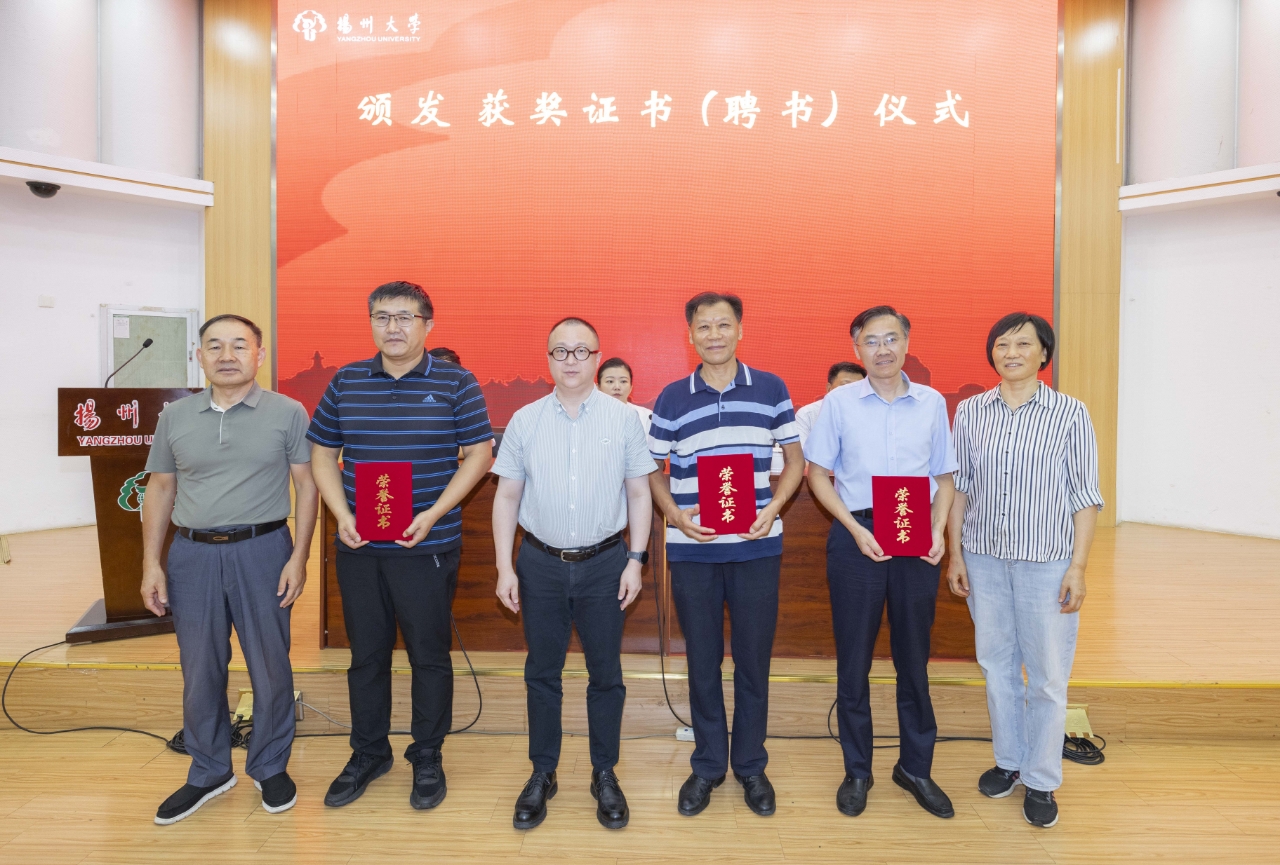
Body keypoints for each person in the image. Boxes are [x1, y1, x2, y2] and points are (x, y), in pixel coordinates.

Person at [308, 281, 494, 811]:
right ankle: (369, 752)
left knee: (428, 656)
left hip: (426, 544)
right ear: (371, 322)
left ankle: (427, 754)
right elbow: (322, 453)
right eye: (382, 317)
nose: (393, 327)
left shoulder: (456, 382)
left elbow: (479, 454)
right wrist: (342, 515)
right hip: (360, 544)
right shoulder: (346, 380)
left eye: (405, 317)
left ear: (427, 325)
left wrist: (434, 513)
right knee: (365, 656)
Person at [140, 313, 318, 825]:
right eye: (215, 345)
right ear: (199, 356)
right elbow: (160, 487)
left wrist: (299, 557)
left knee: (269, 664)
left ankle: (270, 766)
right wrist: (151, 563)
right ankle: (209, 771)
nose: (227, 355)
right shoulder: (176, 416)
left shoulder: (288, 412)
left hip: (262, 550)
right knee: (199, 666)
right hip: (192, 555)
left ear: (259, 355)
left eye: (239, 345)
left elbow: (306, 486)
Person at [492, 318, 656, 831]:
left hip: (606, 564)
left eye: (581, 351)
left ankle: (604, 772)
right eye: (560, 351)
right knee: (542, 672)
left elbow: (639, 493)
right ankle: (543, 772)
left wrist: (635, 560)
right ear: (548, 359)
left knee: (606, 674)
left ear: (597, 358)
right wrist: (504, 566)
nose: (570, 360)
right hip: (539, 563)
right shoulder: (524, 420)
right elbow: (507, 497)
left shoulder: (623, 419)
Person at [648, 292, 804, 818]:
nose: (713, 335)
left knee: (754, 660)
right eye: (703, 327)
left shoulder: (771, 388)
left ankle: (751, 765)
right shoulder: (672, 397)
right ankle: (709, 764)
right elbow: (650, 468)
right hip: (693, 551)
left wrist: (774, 507)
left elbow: (795, 460)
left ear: (740, 330)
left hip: (756, 546)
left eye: (723, 325)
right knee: (703, 660)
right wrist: (675, 515)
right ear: (689, 335)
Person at [947, 312, 1102, 830]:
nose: (1010, 352)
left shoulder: (1070, 413)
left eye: (1022, 344)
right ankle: (1010, 761)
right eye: (1001, 344)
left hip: (1047, 562)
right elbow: (961, 488)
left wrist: (1078, 567)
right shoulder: (971, 411)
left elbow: (1085, 495)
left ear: (1043, 354)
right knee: (997, 667)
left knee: (1048, 676)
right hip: (984, 558)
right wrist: (955, 554)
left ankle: (1041, 778)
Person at [803, 305, 958, 820]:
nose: (883, 349)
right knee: (855, 661)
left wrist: (938, 529)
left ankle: (916, 767)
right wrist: (854, 528)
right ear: (857, 349)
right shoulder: (839, 403)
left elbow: (944, 479)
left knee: (914, 658)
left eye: (892, 338)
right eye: (871, 341)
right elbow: (818, 474)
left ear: (907, 342)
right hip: (858, 536)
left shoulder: (931, 403)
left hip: (916, 537)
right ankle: (858, 770)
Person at [795, 361, 867, 445]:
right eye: (845, 386)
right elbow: (800, 451)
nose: (852, 392)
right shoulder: (808, 415)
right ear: (829, 389)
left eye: (857, 387)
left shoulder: (871, 414)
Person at [597, 357, 652, 433]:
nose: (617, 387)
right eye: (610, 381)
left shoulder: (645, 417)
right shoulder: (587, 417)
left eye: (623, 381)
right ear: (598, 387)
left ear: (631, 387)